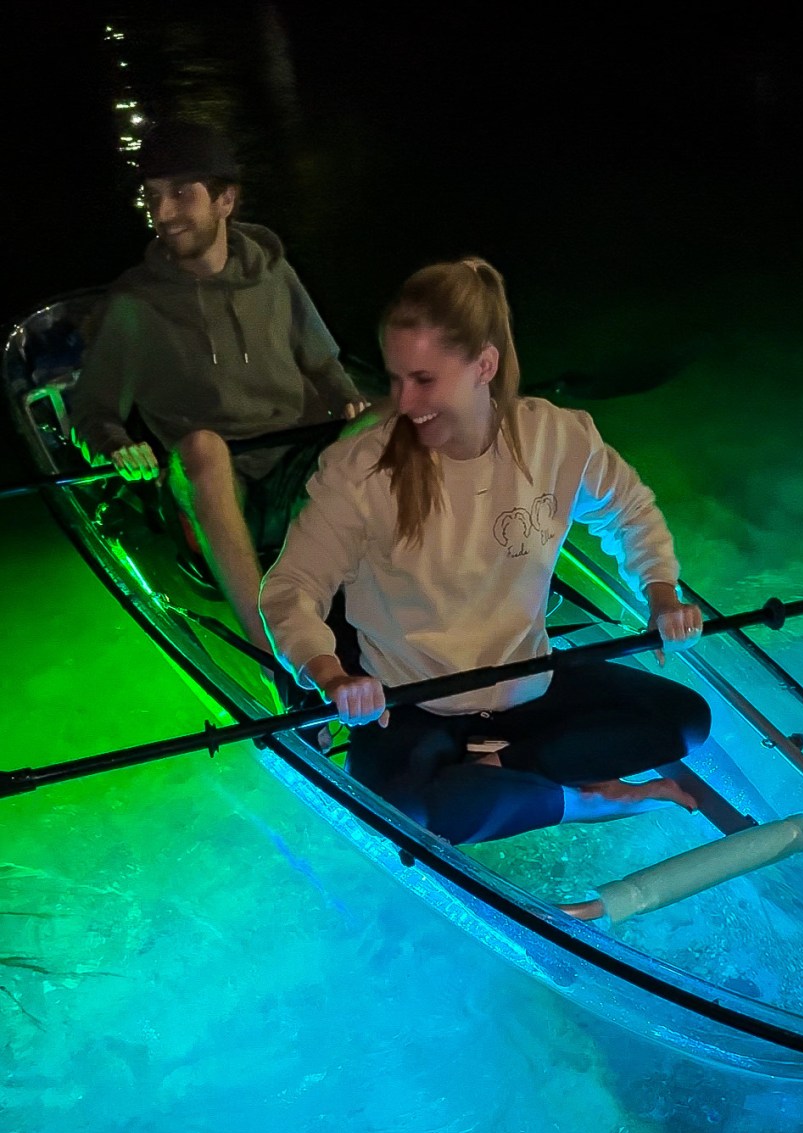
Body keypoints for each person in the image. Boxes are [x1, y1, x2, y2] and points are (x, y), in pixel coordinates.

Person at [260, 257, 710, 845]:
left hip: (529, 687)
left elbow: (630, 511)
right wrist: (330, 673)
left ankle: (502, 770)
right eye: (395, 379)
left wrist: (660, 593)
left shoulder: (557, 435)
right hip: (412, 702)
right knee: (406, 821)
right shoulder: (358, 468)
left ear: (485, 366)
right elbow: (292, 589)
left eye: (423, 380)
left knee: (687, 721)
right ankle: (578, 796)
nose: (403, 400)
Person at [71, 118, 368, 654]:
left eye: (181, 193)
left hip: (295, 467)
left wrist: (349, 398)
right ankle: (278, 654)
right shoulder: (134, 306)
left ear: (226, 199)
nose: (162, 214)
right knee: (204, 449)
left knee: (398, 413)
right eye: (153, 196)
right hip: (211, 483)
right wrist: (117, 443)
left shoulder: (275, 275)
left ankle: (445, 588)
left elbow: (324, 366)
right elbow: (92, 411)